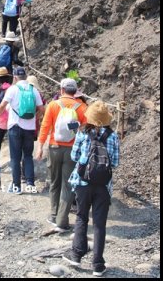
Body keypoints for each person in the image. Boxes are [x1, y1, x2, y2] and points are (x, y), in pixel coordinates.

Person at [62, 101, 119, 277]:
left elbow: (74, 156)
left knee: (81, 217)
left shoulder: (82, 133)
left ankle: (76, 254)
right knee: (100, 224)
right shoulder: (113, 136)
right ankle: (98, 265)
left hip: (82, 183)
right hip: (103, 186)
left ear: (91, 118)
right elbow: (115, 163)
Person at [35, 78, 88, 232]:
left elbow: (45, 127)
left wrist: (40, 147)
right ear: (75, 91)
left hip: (54, 147)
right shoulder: (82, 107)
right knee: (68, 184)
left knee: (54, 182)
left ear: (62, 90)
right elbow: (85, 129)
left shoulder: (53, 105)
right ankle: (62, 221)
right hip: (72, 150)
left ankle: (53, 215)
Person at [0, 72, 45, 194]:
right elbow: (42, 109)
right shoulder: (33, 90)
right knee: (28, 156)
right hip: (29, 128)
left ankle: (16, 187)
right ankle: (30, 184)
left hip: (15, 127)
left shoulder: (12, 89)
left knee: (15, 158)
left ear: (15, 77)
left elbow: (2, 105)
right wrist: (35, 117)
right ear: (25, 77)